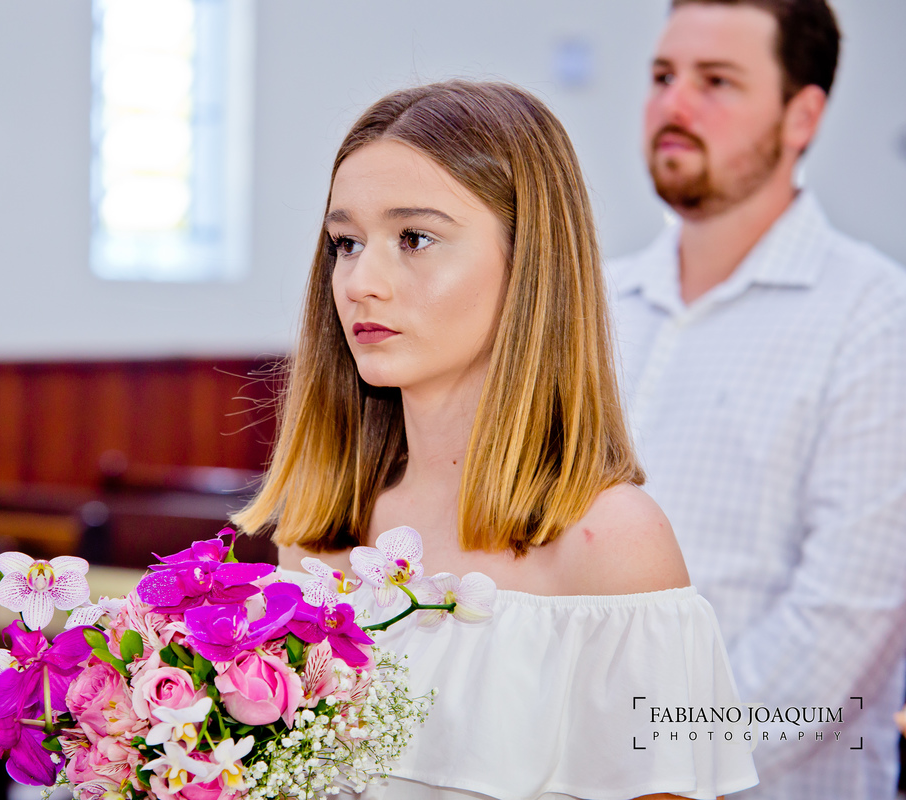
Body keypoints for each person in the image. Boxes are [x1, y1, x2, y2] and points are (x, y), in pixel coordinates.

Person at [235, 80, 759, 800]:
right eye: (346, 243)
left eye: (414, 238)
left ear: (530, 263)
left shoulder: (615, 547)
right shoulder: (318, 531)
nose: (360, 282)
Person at [608, 2, 906, 799]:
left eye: (717, 81)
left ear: (801, 115)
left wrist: (660, 772)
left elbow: (842, 624)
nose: (674, 104)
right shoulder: (595, 303)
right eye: (663, 76)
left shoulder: (876, 317)